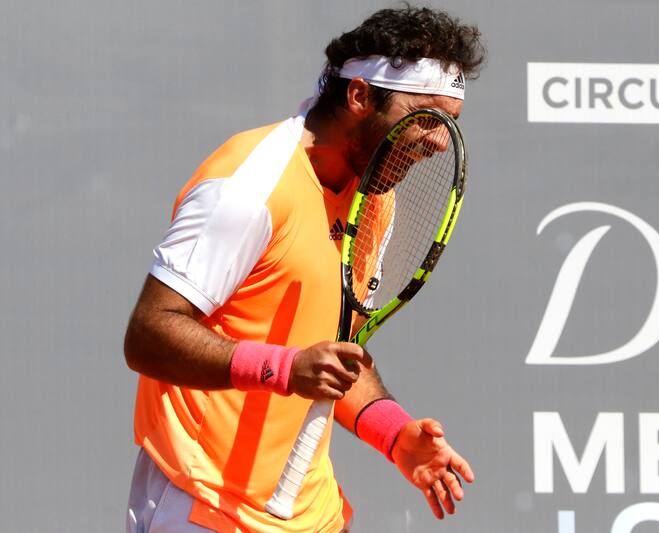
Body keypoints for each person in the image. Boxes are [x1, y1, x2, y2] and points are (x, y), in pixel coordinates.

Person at [124, 5, 485, 532]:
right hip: (204, 506)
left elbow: (334, 355)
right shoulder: (248, 187)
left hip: (309, 513)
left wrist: (396, 435)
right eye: (427, 117)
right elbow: (149, 334)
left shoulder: (374, 197)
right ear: (360, 96)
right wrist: (285, 369)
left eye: (449, 124)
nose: (438, 143)